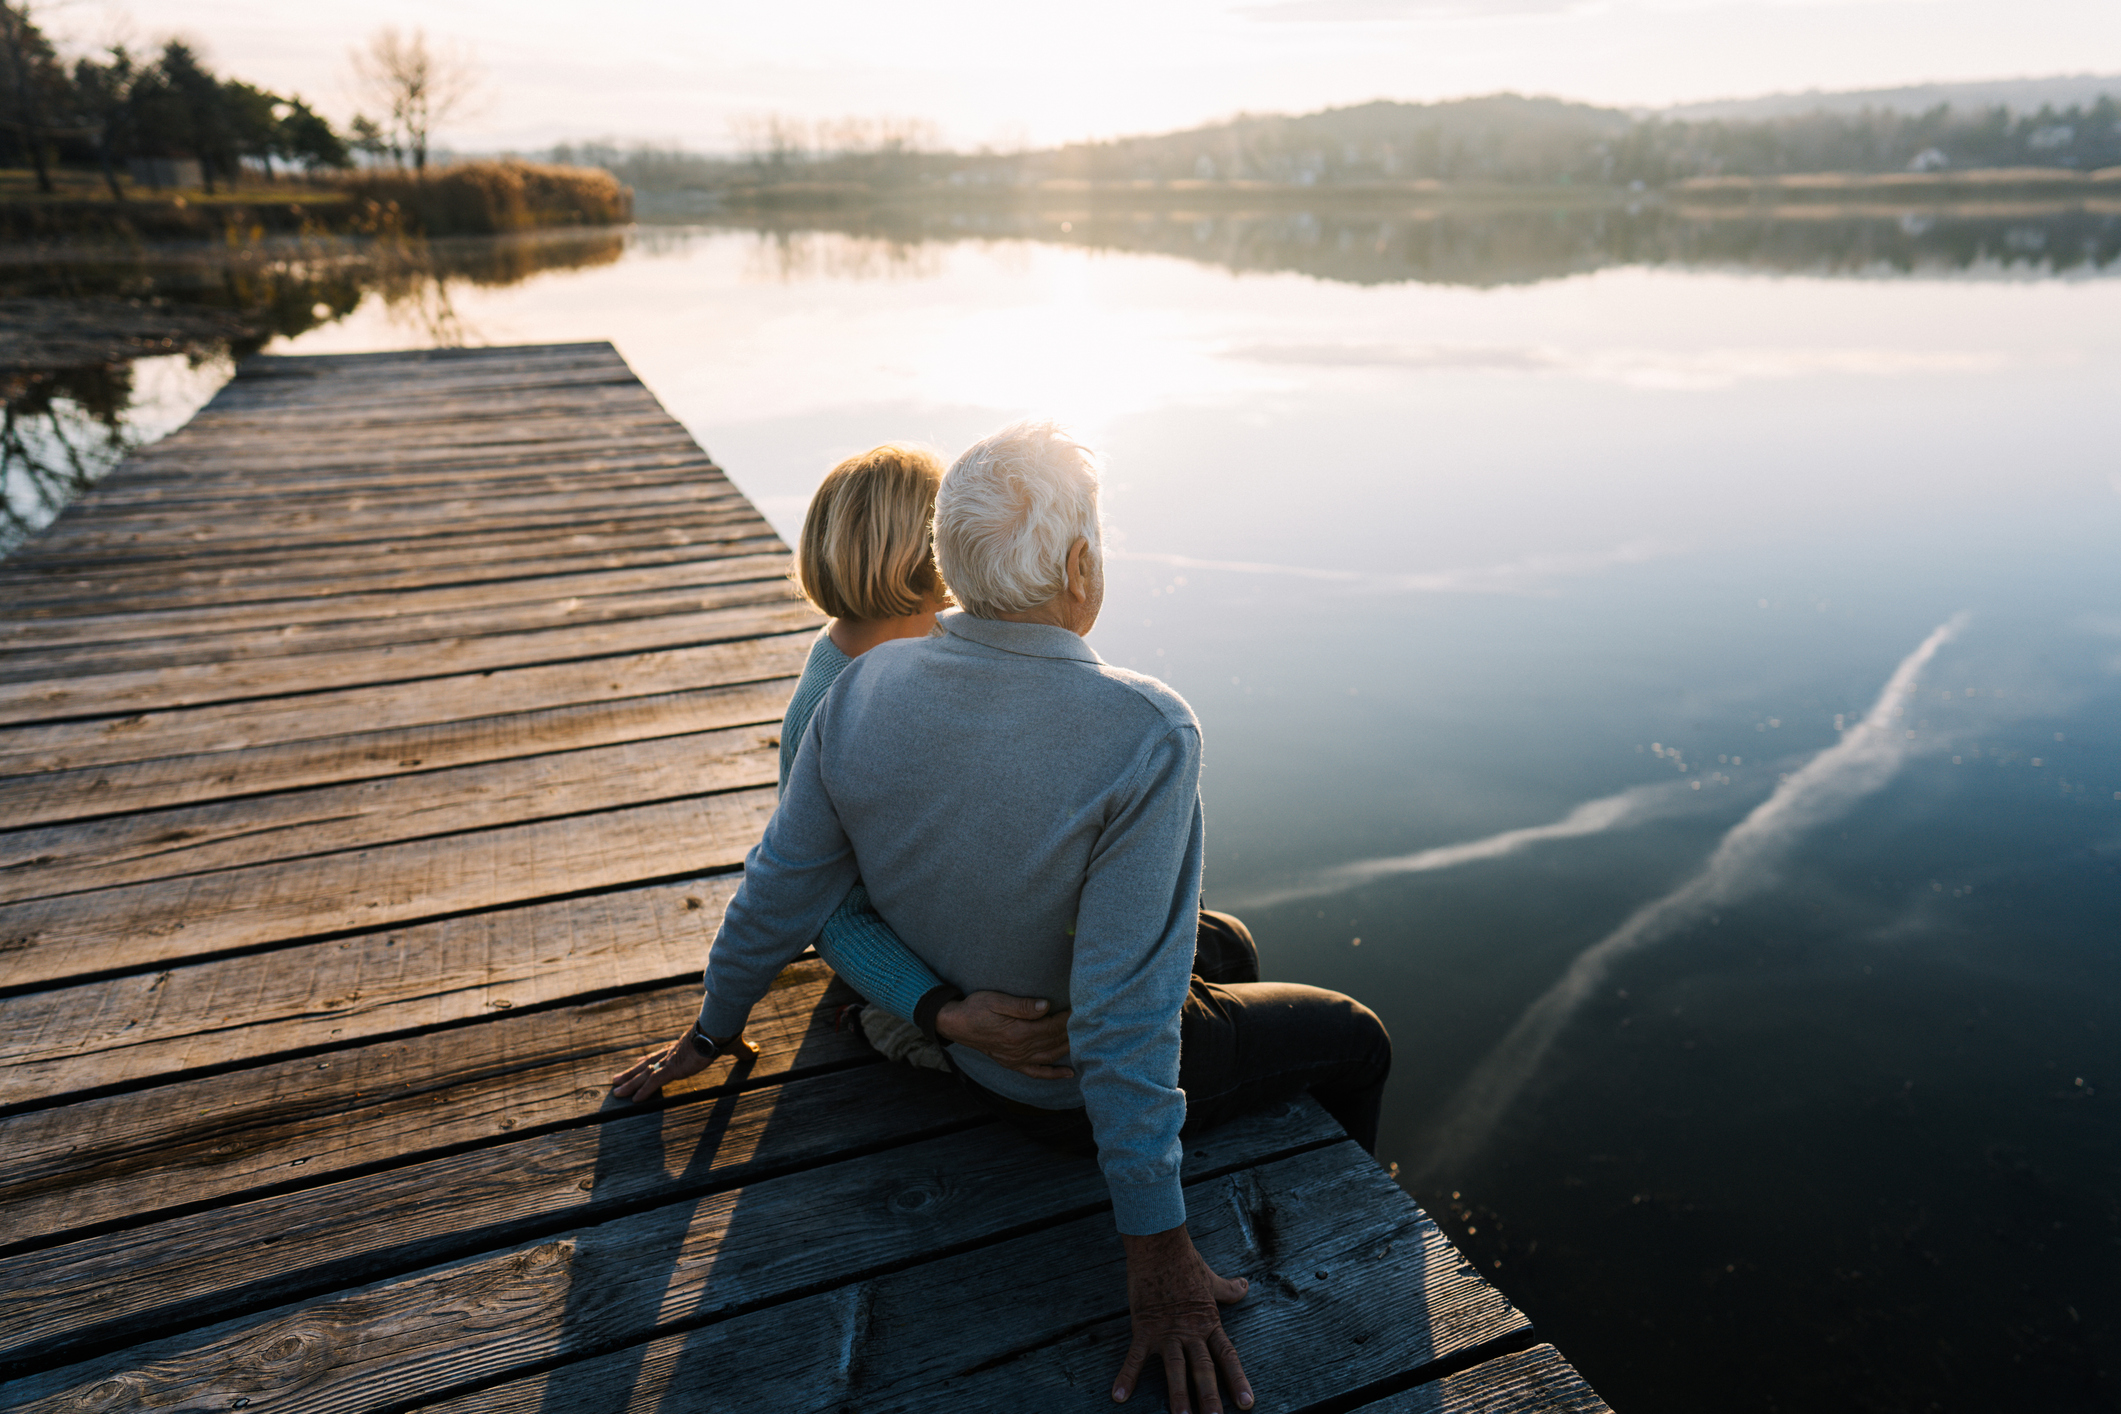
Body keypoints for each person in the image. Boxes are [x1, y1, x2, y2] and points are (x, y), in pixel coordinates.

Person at [614, 423, 1391, 1414]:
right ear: (1079, 564)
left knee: (1225, 943)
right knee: (1358, 1036)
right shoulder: (1145, 728)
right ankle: (1349, 1216)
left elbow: (777, 892)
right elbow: (1120, 1015)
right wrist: (1156, 1255)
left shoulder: (854, 691)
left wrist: (711, 1031)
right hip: (1056, 1088)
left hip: (972, 1034)